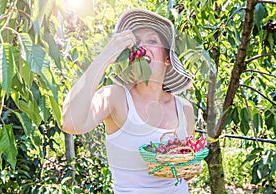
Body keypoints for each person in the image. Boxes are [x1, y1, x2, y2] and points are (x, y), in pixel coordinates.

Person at [62, 8, 197, 194]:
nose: (140, 47)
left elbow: (186, 173)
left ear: (167, 58)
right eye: (136, 42)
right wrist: (106, 55)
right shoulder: (115, 98)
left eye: (152, 40)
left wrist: (183, 161)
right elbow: (70, 122)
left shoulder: (184, 109)